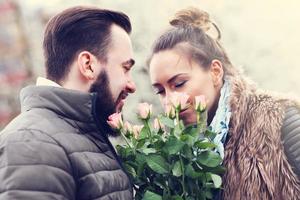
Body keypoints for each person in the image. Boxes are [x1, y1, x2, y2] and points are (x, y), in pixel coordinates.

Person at [148, 7, 300, 200]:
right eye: (160, 91)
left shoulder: (280, 118)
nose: (170, 101)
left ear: (215, 72)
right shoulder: (177, 154)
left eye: (179, 84)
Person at [0, 6, 136, 200]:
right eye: (125, 68)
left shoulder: (80, 135)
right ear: (88, 65)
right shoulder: (33, 142)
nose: (132, 85)